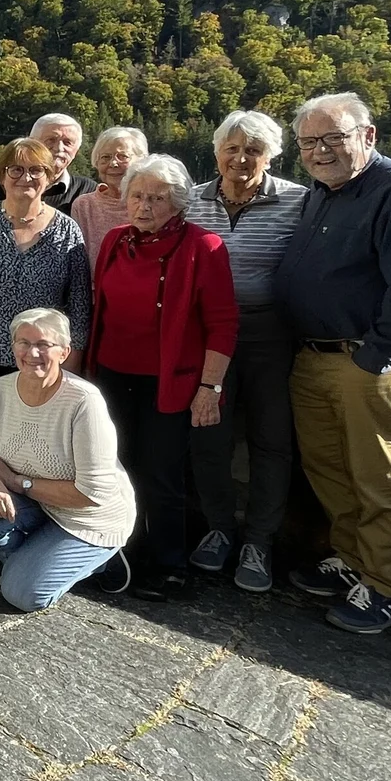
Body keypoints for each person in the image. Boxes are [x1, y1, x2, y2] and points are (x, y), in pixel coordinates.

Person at [277, 91, 391, 633]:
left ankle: (387, 588)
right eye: (309, 142)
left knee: (379, 478)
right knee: (329, 469)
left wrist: (372, 359)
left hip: (370, 360)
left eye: (334, 138)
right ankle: (353, 560)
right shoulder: (323, 193)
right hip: (316, 355)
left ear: (367, 135)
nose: (321, 150)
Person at [83, 154, 237, 601]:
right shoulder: (114, 241)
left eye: (156, 197)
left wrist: (210, 387)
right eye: (137, 196)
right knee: (114, 466)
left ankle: (169, 564)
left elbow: (223, 324)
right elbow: (102, 309)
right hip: (111, 375)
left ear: (179, 202)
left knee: (162, 473)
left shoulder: (203, 247)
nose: (144, 206)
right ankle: (118, 552)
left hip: (169, 382)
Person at [184, 110, 309, 592]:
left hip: (269, 336)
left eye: (253, 150)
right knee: (207, 434)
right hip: (207, 336)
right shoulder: (190, 201)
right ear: (216, 153)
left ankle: (259, 540)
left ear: (272, 156)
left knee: (271, 440)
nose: (241, 158)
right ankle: (219, 527)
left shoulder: (299, 201)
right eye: (231, 148)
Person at [0, 308, 138, 611]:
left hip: (87, 520)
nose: (32, 353)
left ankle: (101, 560)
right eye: (23, 343)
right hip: (38, 507)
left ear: (65, 352)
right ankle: (33, 560)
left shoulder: (84, 402)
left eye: (44, 344)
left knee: (23, 595)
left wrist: (14, 482)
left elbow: (92, 494)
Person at [0, 139, 94, 439]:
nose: (25, 178)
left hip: (40, 362)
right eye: (16, 169)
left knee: (32, 440)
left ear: (50, 176)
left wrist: (73, 362)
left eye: (36, 170)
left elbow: (79, 302)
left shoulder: (67, 231)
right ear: (2, 175)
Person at [72, 127, 147, 273]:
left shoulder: (152, 204)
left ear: (141, 161)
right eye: (105, 157)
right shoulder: (84, 206)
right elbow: (78, 264)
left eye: (122, 156)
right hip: (96, 293)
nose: (113, 163)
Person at [0, 113, 95, 210]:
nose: (59, 148)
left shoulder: (88, 191)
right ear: (31, 143)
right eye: (51, 140)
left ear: (76, 151)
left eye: (67, 142)